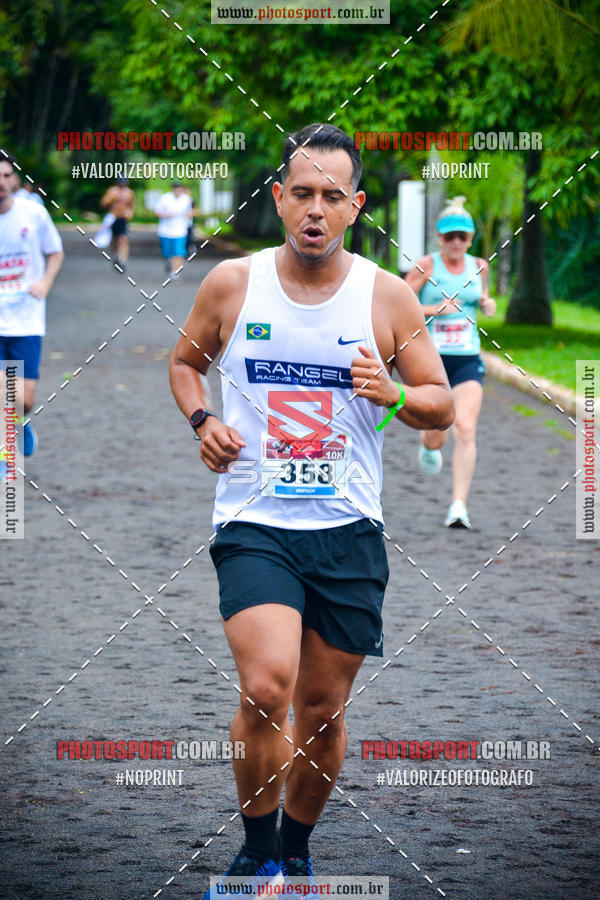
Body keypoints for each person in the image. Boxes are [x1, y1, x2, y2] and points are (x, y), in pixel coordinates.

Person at [169, 123, 454, 895]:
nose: (316, 210)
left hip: (348, 530)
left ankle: (295, 852)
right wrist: (204, 421)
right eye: (302, 193)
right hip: (255, 523)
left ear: (357, 206)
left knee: (323, 712)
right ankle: (255, 850)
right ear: (279, 198)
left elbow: (440, 403)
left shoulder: (386, 297)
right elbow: (186, 363)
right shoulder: (233, 283)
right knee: (267, 687)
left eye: (334, 196)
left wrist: (393, 392)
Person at [404, 196, 496, 529]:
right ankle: (428, 446)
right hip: (433, 360)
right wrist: (433, 310)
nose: (456, 242)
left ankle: (459, 506)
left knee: (466, 428)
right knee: (437, 433)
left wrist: (487, 305)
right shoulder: (426, 266)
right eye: (449, 236)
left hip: (468, 358)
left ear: (470, 239)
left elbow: (481, 298)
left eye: (462, 236)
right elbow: (400, 303)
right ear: (440, 238)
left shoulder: (481, 266)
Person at [0, 152, 64, 468]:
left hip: (27, 320)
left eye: (6, 176)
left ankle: (19, 423)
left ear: (14, 179)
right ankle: (4, 457)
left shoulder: (34, 214)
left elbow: (55, 253)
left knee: (23, 399)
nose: (1, 183)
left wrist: (45, 284)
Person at [154, 181, 192, 283]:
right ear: (173, 189)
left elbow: (190, 211)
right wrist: (166, 215)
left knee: (179, 253)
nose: (177, 190)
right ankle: (169, 262)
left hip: (180, 231)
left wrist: (189, 214)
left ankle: (175, 274)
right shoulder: (165, 198)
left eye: (179, 188)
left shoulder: (186, 199)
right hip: (165, 231)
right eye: (175, 188)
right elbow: (157, 212)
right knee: (167, 253)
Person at [99, 177, 136, 273]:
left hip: (122, 218)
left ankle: (123, 260)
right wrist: (110, 199)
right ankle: (115, 255)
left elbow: (132, 205)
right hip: (113, 217)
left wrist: (130, 213)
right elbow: (103, 203)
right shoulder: (112, 191)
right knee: (114, 239)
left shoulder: (129, 193)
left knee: (123, 239)